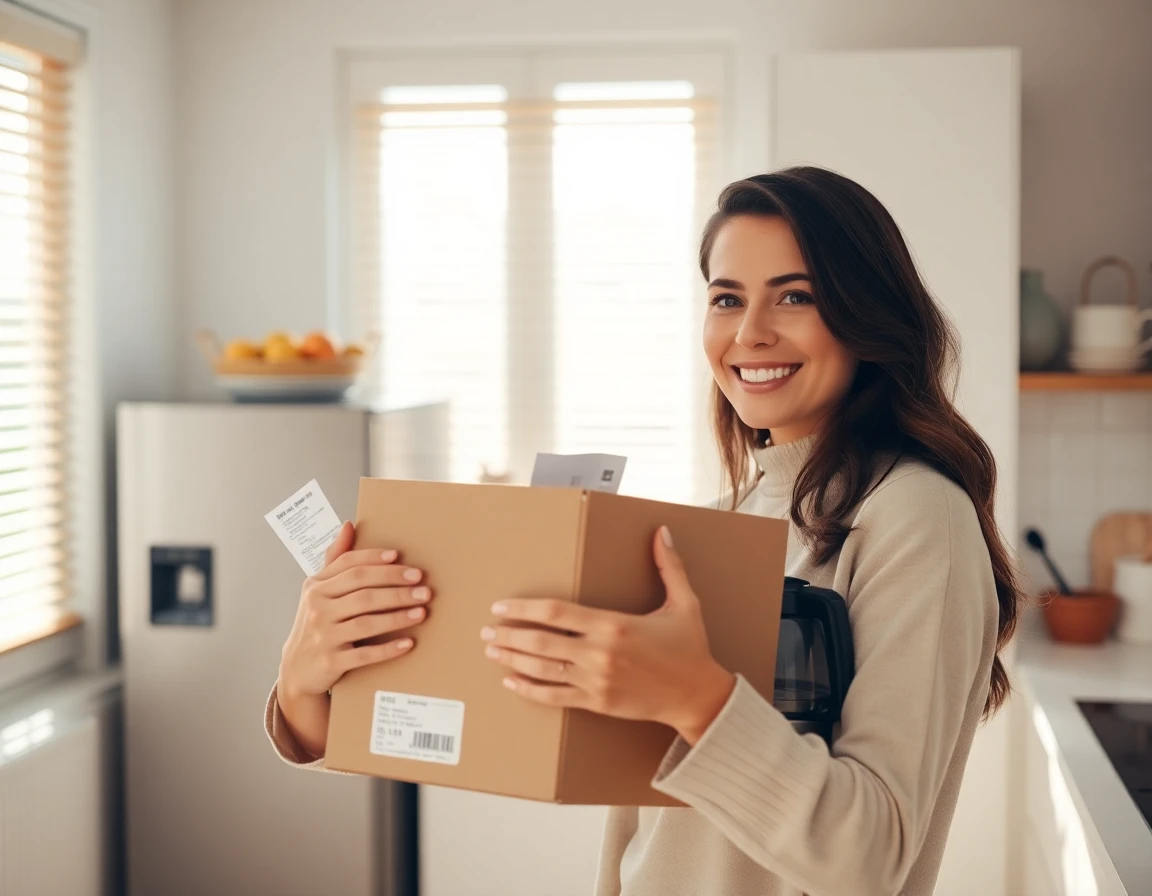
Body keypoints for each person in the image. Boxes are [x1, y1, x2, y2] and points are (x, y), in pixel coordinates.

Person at [266, 166, 1021, 896]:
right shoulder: (737, 514)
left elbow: (872, 857)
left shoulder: (917, 515)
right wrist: (311, 690)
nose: (750, 333)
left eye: (794, 296)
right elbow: (560, 755)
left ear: (867, 316)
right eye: (727, 299)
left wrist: (697, 698)